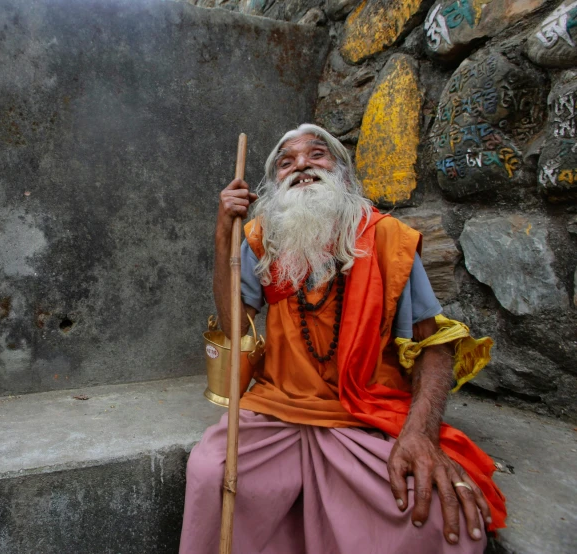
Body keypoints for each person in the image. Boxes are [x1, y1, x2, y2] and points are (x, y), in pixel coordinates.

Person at [179, 124, 506, 554]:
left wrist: (420, 434)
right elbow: (236, 329)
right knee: (209, 471)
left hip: (366, 412)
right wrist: (225, 236)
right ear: (273, 186)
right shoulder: (259, 240)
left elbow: (435, 346)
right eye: (285, 162)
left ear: (345, 177)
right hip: (280, 407)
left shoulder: (388, 239)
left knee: (431, 518)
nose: (301, 166)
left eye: (317, 155)